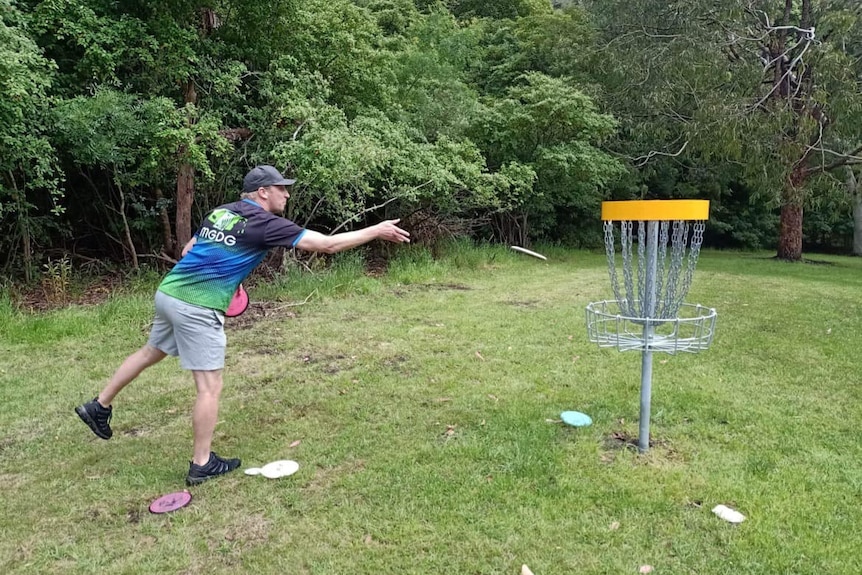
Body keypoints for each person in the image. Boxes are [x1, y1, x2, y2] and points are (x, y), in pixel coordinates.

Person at [75, 165, 410, 485]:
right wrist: (377, 230)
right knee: (209, 387)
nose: (287, 195)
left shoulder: (221, 212)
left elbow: (190, 247)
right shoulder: (266, 224)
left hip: (170, 292)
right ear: (262, 192)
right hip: (198, 306)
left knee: (152, 351)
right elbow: (327, 245)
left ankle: (99, 405)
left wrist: (224, 272)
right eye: (282, 189)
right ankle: (202, 464)